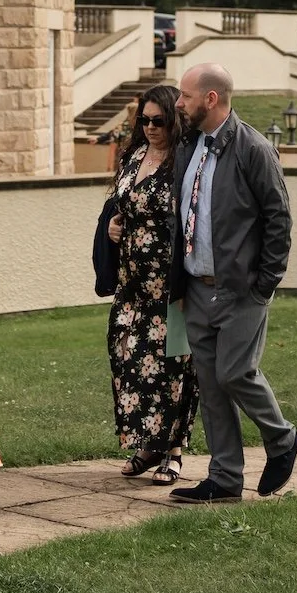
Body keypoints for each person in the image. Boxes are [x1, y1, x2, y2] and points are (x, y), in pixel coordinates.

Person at [168, 63, 297, 503]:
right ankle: (224, 479)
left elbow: (278, 217)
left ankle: (282, 439)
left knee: (234, 372)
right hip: (196, 287)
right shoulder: (189, 145)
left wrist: (265, 283)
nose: (179, 103)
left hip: (241, 289)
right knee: (210, 385)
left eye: (185, 96)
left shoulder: (254, 149)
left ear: (210, 98)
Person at [104, 85, 198, 487]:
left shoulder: (186, 161)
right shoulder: (134, 155)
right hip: (132, 285)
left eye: (158, 120)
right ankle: (148, 443)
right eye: (144, 120)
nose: (150, 127)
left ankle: (173, 451)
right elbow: (119, 203)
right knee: (128, 360)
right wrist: (112, 224)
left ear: (174, 120)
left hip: (170, 287)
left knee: (172, 366)